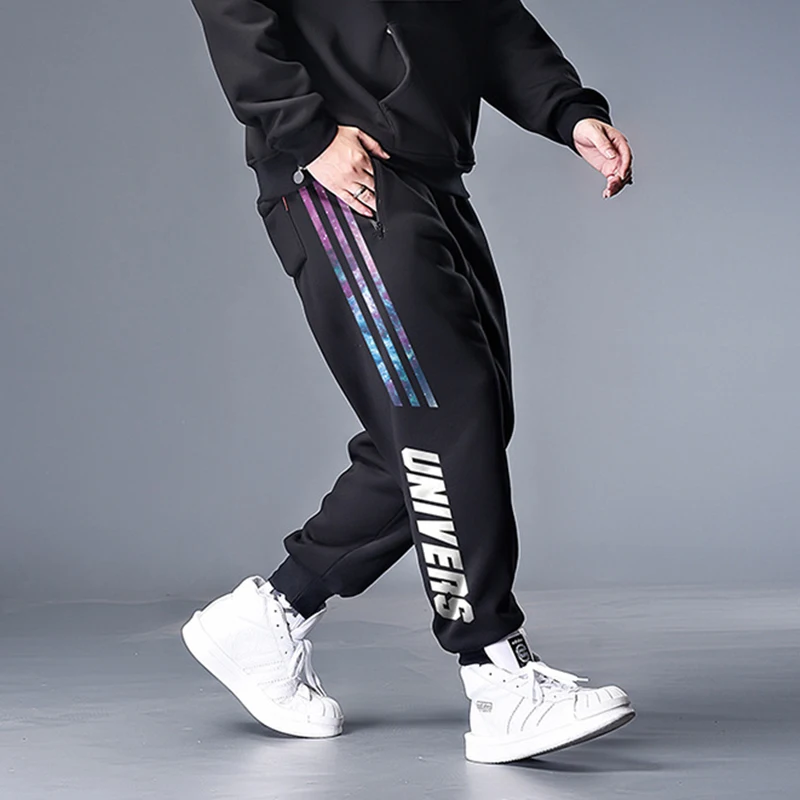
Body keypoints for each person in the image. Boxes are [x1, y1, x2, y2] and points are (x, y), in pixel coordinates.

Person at [182, 0, 635, 764]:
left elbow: (488, 17)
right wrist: (307, 134)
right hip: (340, 173)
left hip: (431, 172)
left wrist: (568, 111)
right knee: (445, 417)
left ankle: (272, 614)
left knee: (462, 420)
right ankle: (496, 675)